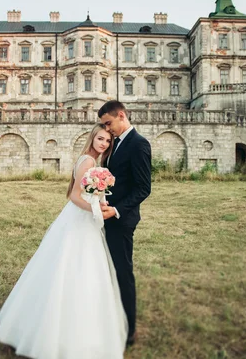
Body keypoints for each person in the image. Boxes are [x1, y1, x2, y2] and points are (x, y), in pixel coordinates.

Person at [0, 124, 128, 359]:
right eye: (100, 139)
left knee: (79, 267)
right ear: (92, 138)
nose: (104, 143)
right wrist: (95, 209)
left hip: (82, 219)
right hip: (79, 220)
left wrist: (98, 201)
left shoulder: (90, 161)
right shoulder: (88, 162)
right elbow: (74, 196)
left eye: (107, 141)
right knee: (74, 267)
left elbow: (87, 193)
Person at [98, 100, 152, 346]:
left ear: (121, 115)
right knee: (106, 270)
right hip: (104, 216)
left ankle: (129, 328)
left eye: (108, 123)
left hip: (122, 220)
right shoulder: (115, 144)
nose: (107, 130)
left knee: (123, 272)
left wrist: (117, 211)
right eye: (104, 126)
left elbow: (143, 188)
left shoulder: (139, 144)